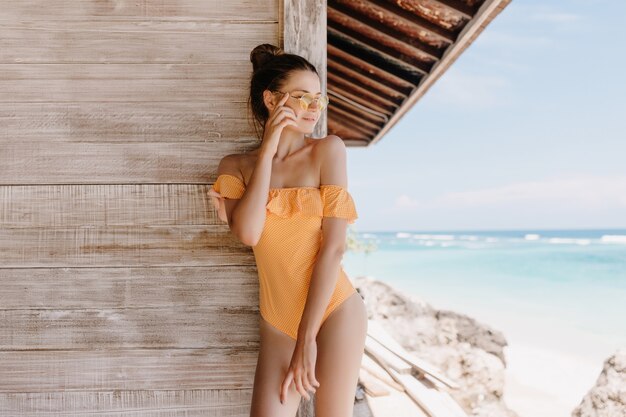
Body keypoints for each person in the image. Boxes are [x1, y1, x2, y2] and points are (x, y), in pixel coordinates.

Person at [209, 43, 368, 417]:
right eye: (301, 98)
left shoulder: (327, 151)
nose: (313, 109)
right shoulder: (236, 166)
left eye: (318, 99)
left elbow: (333, 249)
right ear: (271, 99)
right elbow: (248, 233)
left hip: (333, 312)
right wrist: (267, 151)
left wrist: (307, 339)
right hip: (278, 321)